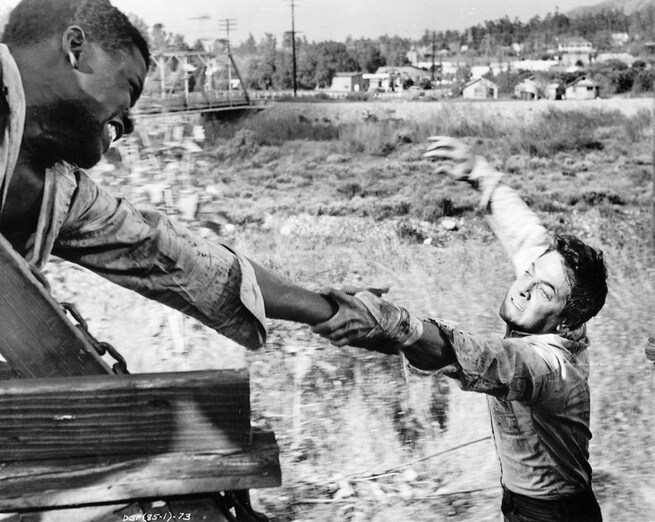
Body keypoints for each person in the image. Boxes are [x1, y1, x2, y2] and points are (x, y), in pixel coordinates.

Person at [0, 0, 338, 352]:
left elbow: (179, 258)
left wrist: (339, 311)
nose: (130, 123)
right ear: (75, 49)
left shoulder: (61, 193)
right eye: (130, 87)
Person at [314, 137, 607, 522]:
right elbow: (527, 236)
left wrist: (394, 323)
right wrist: (478, 172)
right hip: (530, 503)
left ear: (568, 320)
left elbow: (477, 358)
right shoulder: (559, 301)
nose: (523, 288)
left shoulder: (549, 367)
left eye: (542, 291)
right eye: (529, 274)